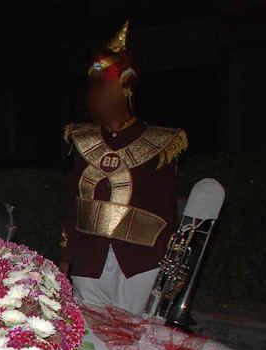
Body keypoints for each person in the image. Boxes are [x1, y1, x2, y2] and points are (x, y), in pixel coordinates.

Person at [61, 21, 187, 313]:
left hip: (140, 263)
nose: (93, 96)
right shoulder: (81, 139)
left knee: (133, 339)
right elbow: (73, 203)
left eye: (102, 88)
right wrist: (66, 256)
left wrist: (172, 269)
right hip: (89, 260)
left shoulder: (160, 142)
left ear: (124, 89)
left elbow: (166, 209)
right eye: (91, 89)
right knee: (93, 337)